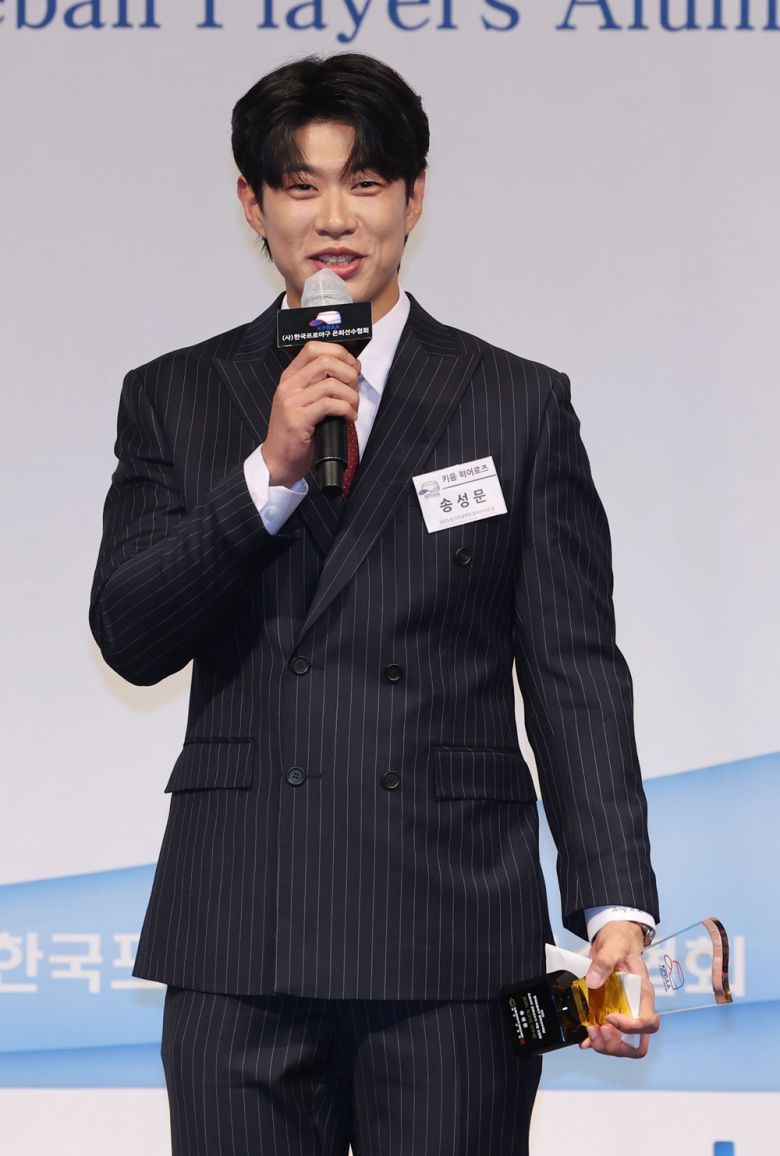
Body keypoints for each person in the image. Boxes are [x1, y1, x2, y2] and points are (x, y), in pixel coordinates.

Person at [90, 52, 660, 1156]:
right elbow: (131, 632)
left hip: (452, 932)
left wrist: (615, 909)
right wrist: (268, 474)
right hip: (240, 931)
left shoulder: (516, 402)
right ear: (252, 203)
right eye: (300, 185)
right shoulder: (175, 395)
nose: (336, 218)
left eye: (366, 182)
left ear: (415, 195)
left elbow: (574, 671)